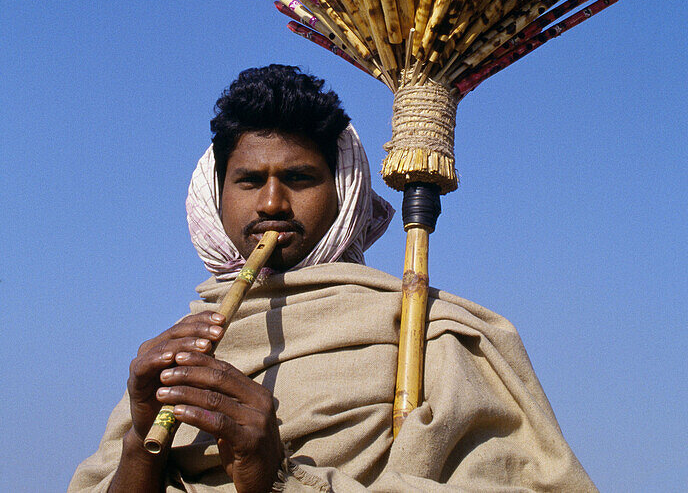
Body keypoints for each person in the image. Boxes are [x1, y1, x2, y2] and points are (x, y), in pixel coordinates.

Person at [69, 64, 598, 493]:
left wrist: (279, 479)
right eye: (250, 181)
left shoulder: (431, 334)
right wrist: (141, 440)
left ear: (344, 193)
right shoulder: (177, 356)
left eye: (299, 179)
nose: (272, 204)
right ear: (214, 198)